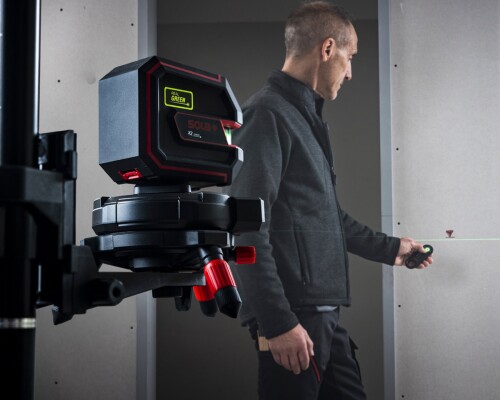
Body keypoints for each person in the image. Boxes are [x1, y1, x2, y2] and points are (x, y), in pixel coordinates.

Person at [227, 2, 433, 399]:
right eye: (349, 57)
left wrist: (393, 249)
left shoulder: (304, 119)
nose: (350, 71)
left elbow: (325, 217)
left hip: (321, 316)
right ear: (327, 49)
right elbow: (245, 228)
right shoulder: (266, 115)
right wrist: (277, 322)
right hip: (294, 319)